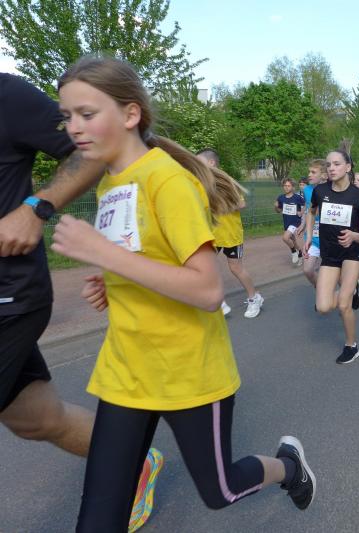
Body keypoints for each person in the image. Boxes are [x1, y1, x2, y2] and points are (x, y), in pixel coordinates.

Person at [52, 56, 315, 531]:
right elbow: (146, 256)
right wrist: (114, 281)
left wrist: (105, 256)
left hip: (187, 370)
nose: (73, 127)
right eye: (66, 116)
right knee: (99, 517)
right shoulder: (110, 183)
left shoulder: (168, 180)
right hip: (127, 368)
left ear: (130, 114)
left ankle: (289, 467)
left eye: (86, 114)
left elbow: (208, 289)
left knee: (220, 491)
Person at [0, 72, 163, 532]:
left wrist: (35, 206)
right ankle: (135, 460)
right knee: (38, 419)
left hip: (8, 296)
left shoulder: (7, 96)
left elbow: (90, 148)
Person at [306, 149, 359, 364]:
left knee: (344, 305)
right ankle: (350, 291)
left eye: (336, 164)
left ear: (348, 167)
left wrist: (354, 236)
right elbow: (311, 212)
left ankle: (351, 346)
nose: (331, 168)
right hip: (330, 254)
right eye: (328, 165)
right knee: (323, 307)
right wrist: (309, 235)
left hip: (352, 254)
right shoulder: (320, 191)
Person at [197, 149, 264, 319]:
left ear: (211, 163)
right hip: (211, 234)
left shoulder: (226, 181)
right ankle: (219, 301)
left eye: (200, 162)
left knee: (236, 268)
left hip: (230, 234)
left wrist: (220, 206)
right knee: (206, 266)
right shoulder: (202, 182)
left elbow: (241, 204)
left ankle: (254, 298)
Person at [301, 160, 327, 288]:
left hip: (329, 237)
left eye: (313, 172)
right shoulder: (307, 190)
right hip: (313, 237)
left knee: (335, 274)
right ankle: (322, 291)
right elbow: (308, 210)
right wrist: (303, 224)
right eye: (309, 172)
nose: (309, 175)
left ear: (324, 175)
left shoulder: (332, 189)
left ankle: (352, 291)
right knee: (307, 270)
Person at [274, 178, 305, 266]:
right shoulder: (281, 198)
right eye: (285, 186)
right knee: (293, 242)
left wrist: (301, 212)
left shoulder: (297, 197)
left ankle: (293, 252)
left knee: (285, 238)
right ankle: (300, 254)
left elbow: (305, 205)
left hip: (295, 222)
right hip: (287, 222)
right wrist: (276, 207)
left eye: (288, 186)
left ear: (292, 187)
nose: (286, 187)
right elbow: (278, 211)